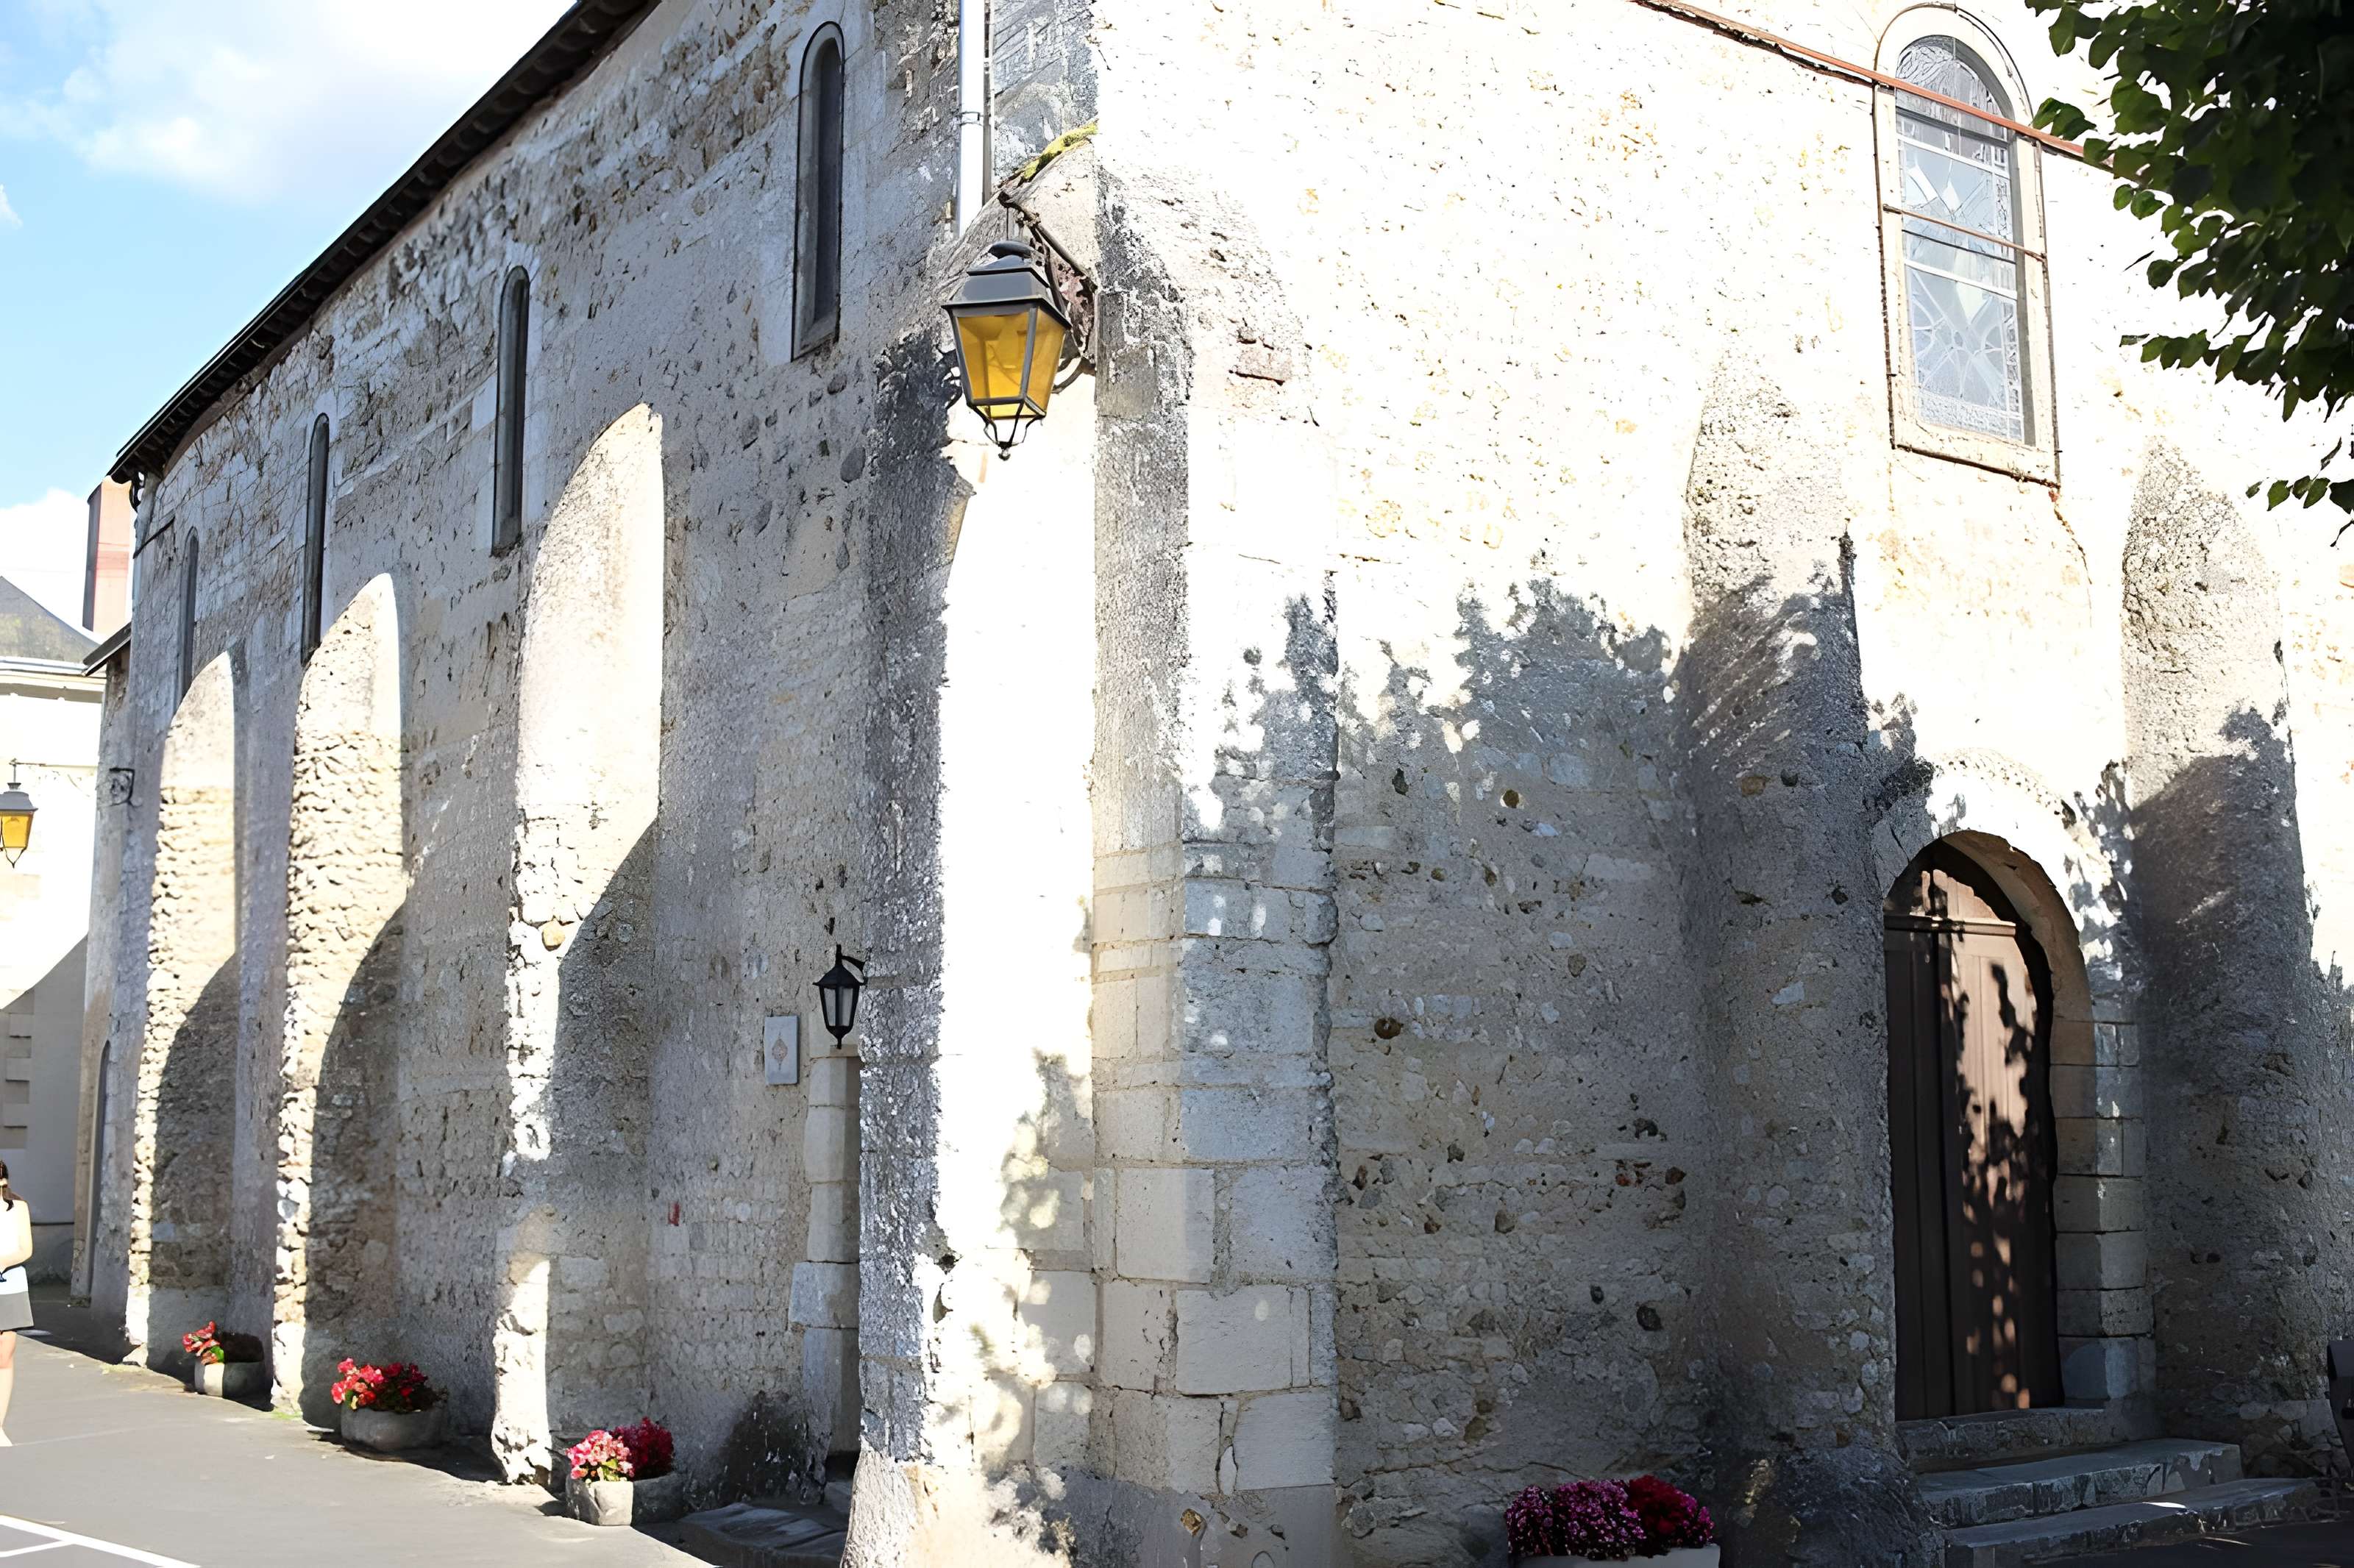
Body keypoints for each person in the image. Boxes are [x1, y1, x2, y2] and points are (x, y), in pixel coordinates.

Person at [0, 1157, 31, 1445]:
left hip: (9, 1285)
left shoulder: (18, 1208)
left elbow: (25, 1249)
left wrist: (2, 1262)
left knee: (4, 1355)